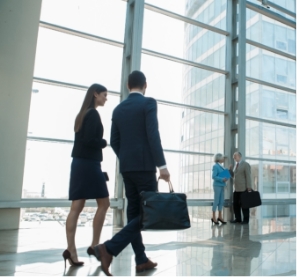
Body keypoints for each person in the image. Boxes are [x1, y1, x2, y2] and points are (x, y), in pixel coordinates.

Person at [93, 70, 170, 276]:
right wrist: (162, 166)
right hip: (145, 167)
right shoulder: (148, 103)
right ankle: (108, 248)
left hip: (127, 168)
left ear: (128, 86)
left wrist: (127, 158)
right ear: (145, 85)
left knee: (135, 212)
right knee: (147, 212)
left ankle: (141, 259)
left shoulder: (118, 109)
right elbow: (153, 135)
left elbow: (115, 141)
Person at [62, 84, 110, 268]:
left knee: (77, 206)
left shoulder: (82, 114)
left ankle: (71, 250)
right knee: (104, 204)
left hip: (79, 164)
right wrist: (104, 142)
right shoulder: (93, 114)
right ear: (95, 94)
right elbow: (90, 140)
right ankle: (95, 246)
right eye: (104, 95)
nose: (106, 98)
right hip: (89, 164)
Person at [229, 151, 252, 224]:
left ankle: (246, 220)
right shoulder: (236, 165)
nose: (234, 158)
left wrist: (249, 186)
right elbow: (233, 176)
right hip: (236, 188)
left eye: (235, 156)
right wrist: (230, 170)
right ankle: (238, 219)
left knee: (244, 204)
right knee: (236, 204)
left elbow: (248, 176)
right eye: (233, 157)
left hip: (244, 188)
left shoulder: (245, 164)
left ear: (239, 156)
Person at [211, 153, 228, 225]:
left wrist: (225, 178)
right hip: (217, 185)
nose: (224, 159)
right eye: (223, 158)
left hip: (222, 185)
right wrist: (222, 179)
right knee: (216, 201)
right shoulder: (215, 166)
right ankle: (213, 217)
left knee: (221, 201)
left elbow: (223, 176)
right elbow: (213, 176)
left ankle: (220, 216)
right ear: (219, 158)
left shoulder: (222, 167)